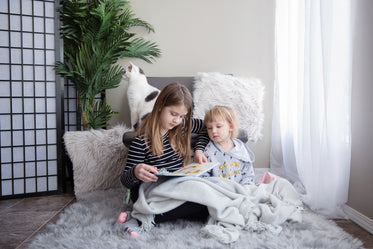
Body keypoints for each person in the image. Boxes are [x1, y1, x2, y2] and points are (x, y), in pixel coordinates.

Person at [117, 82, 209, 237]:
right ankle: (141, 217)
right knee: (203, 206)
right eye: (173, 114)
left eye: (182, 116)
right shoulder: (142, 140)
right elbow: (126, 181)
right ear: (160, 106)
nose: (177, 121)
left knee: (206, 199)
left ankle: (145, 215)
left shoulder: (182, 125)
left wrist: (199, 149)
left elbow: (207, 127)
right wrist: (136, 171)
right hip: (150, 192)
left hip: (174, 187)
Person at [195, 105, 255, 185]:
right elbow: (204, 177)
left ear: (230, 127)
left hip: (242, 188)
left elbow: (248, 172)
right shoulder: (208, 151)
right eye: (209, 128)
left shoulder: (240, 147)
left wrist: (246, 188)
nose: (213, 131)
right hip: (219, 190)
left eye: (218, 126)